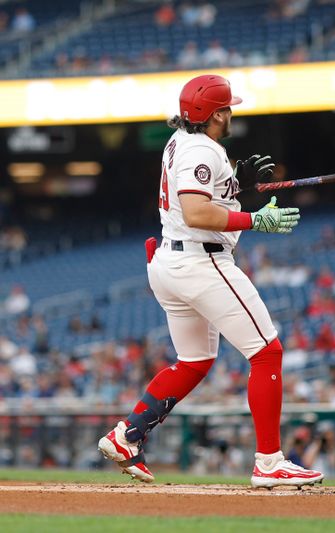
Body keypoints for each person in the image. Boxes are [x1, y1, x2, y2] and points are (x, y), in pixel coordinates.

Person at [97, 74, 323, 489]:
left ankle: (127, 435)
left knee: (195, 361)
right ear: (216, 114)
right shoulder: (202, 149)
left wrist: (237, 179)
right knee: (267, 353)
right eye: (227, 108)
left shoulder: (182, 141)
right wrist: (256, 219)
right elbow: (198, 213)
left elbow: (205, 195)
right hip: (202, 262)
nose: (231, 113)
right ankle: (270, 462)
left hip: (170, 261)